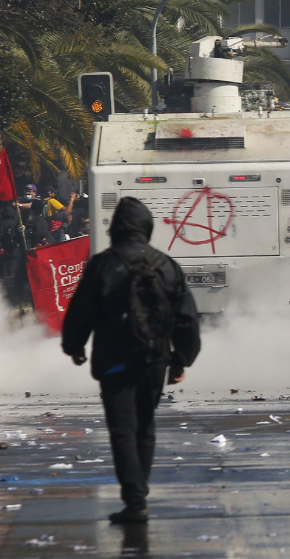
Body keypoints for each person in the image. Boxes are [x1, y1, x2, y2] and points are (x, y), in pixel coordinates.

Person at [61, 197, 201, 523]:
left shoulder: (102, 264)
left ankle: (135, 500)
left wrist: (74, 346)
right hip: (155, 360)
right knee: (145, 426)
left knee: (122, 429)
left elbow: (81, 310)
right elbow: (186, 318)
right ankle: (139, 492)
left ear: (114, 229)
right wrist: (181, 360)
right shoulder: (166, 265)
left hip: (114, 360)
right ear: (147, 227)